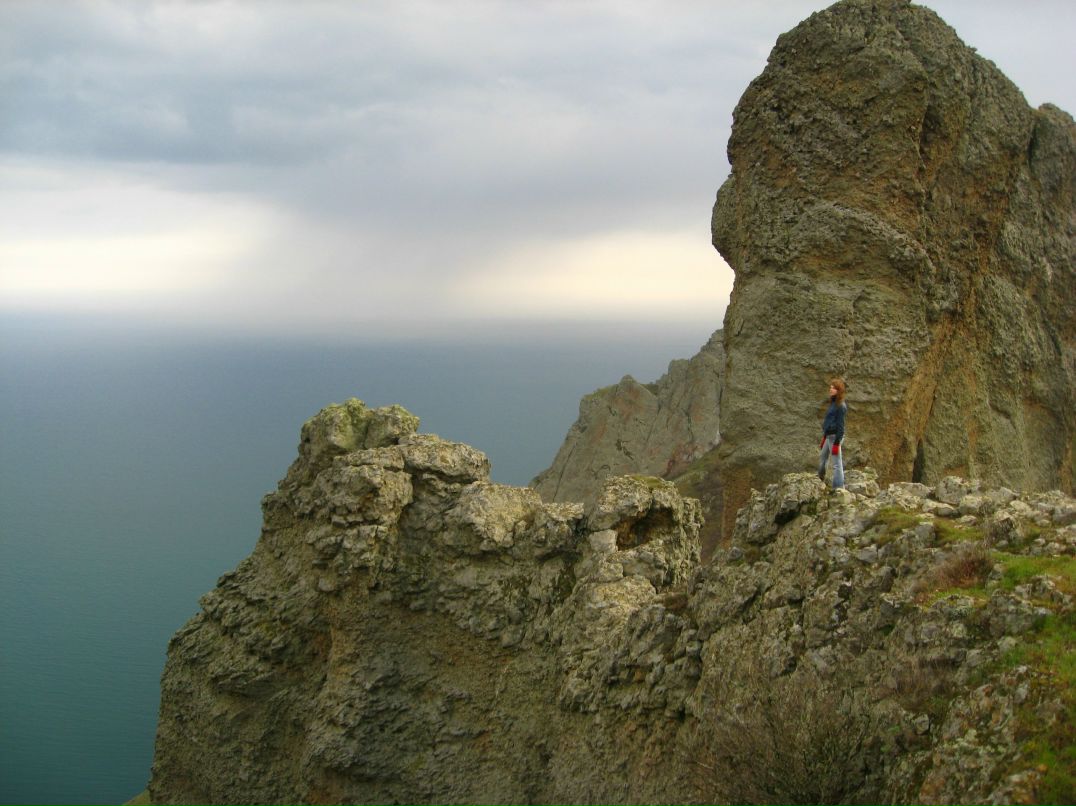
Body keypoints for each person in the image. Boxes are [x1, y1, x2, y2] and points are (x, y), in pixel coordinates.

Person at [818, 378, 847, 489]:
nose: (831, 389)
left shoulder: (841, 406)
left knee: (837, 464)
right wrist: (824, 437)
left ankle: (839, 488)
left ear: (838, 391)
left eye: (833, 388)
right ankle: (819, 480)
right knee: (822, 458)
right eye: (830, 387)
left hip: (835, 437)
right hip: (828, 436)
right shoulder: (833, 403)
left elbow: (841, 427)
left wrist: (836, 443)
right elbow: (829, 422)